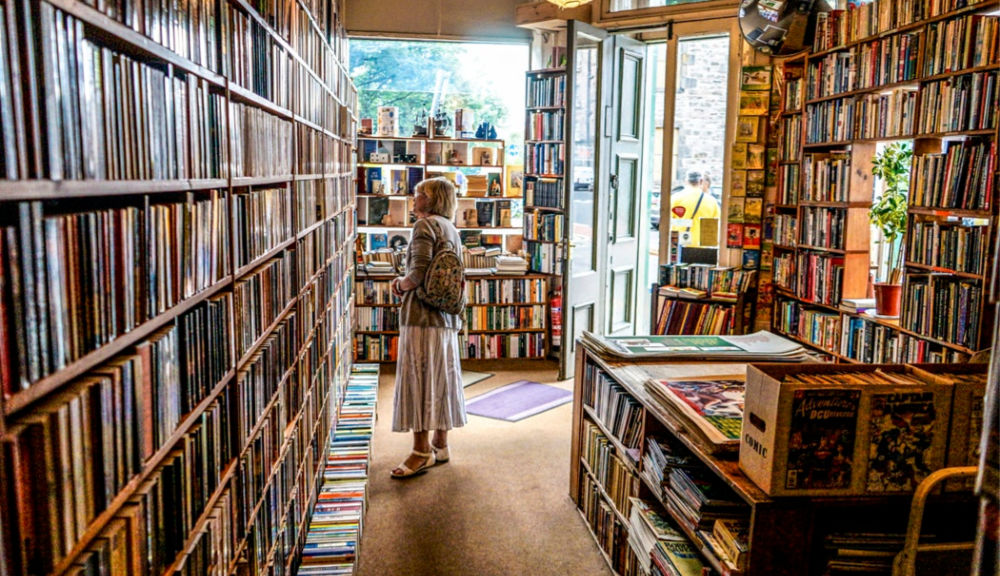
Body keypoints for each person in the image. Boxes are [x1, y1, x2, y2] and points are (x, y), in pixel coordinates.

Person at [389, 177, 467, 478]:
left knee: (418, 380)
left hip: (421, 317)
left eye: (419, 193)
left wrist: (398, 284)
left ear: (431, 199)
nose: (414, 196)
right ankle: (441, 443)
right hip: (445, 315)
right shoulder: (450, 228)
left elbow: (417, 274)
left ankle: (420, 451)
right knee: (442, 378)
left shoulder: (424, 226)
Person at [670, 171, 721, 248]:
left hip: (679, 244)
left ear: (686, 181)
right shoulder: (711, 201)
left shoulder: (675, 198)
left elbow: (668, 221)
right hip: (702, 247)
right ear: (701, 181)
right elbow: (715, 225)